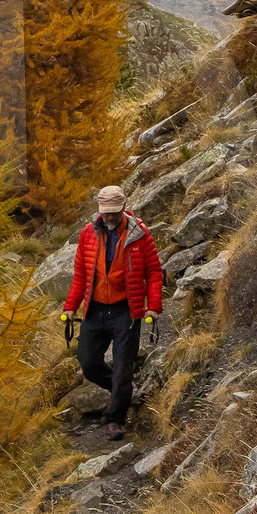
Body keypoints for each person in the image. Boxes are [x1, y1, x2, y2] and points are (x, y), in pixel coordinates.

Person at [62, 183, 163, 441]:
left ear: (124, 208)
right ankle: (123, 390)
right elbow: (81, 275)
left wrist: (154, 306)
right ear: (99, 209)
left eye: (114, 212)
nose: (109, 216)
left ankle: (115, 417)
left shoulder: (139, 234)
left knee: (123, 368)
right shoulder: (88, 234)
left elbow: (153, 272)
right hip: (95, 310)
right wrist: (71, 306)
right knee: (88, 362)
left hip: (125, 311)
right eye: (105, 212)